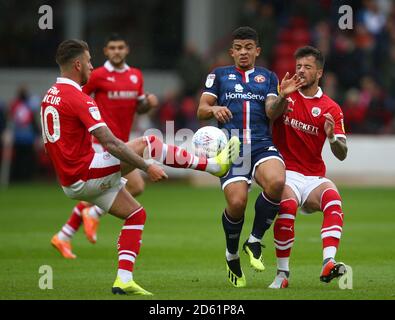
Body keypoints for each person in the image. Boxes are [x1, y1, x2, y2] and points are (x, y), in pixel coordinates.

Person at [42, 39, 239, 295]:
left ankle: (123, 279)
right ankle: (214, 167)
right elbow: (111, 143)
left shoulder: (49, 95)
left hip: (71, 179)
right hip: (86, 171)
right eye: (89, 61)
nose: (92, 66)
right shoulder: (79, 99)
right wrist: (147, 166)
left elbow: (51, 145)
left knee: (136, 214)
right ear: (78, 65)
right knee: (150, 143)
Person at [197, 26, 306, 287]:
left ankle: (255, 240)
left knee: (277, 183)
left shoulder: (268, 77)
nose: (243, 52)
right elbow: (201, 110)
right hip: (232, 147)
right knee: (237, 204)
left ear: (257, 51)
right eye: (238, 48)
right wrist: (215, 109)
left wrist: (282, 95)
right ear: (231, 52)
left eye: (248, 48)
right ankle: (232, 255)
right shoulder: (219, 75)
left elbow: (271, 112)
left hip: (260, 144)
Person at [51, 33, 159, 253]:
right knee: (136, 185)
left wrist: (147, 103)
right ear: (106, 52)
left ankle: (65, 234)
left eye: (120, 47)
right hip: (102, 142)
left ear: (127, 49)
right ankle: (89, 216)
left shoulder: (135, 76)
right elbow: (77, 101)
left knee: (125, 188)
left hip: (122, 140)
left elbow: (138, 107)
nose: (117, 51)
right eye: (112, 48)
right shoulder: (97, 75)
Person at [269, 46, 348, 289]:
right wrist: (282, 95)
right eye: (299, 66)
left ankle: (328, 262)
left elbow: (342, 153)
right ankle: (282, 275)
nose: (301, 71)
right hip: (286, 171)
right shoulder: (285, 94)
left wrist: (332, 137)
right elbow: (271, 114)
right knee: (288, 205)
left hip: (313, 176)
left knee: (334, 199)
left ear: (319, 73)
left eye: (307, 67)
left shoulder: (331, 108)